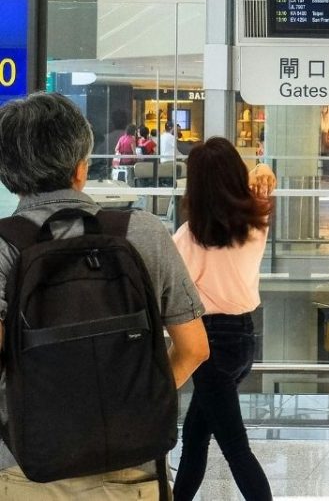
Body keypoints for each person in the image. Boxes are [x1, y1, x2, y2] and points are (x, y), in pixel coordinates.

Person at [0, 92, 209, 498]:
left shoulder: (4, 246)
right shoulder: (143, 232)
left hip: (25, 468)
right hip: (131, 467)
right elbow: (195, 348)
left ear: (8, 174)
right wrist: (133, 407)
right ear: (81, 167)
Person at [171, 137, 276, 501]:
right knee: (195, 436)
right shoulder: (257, 223)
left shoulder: (189, 239)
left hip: (209, 345)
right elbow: (261, 181)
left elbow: (172, 293)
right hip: (245, 338)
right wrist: (261, 169)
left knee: (235, 448)